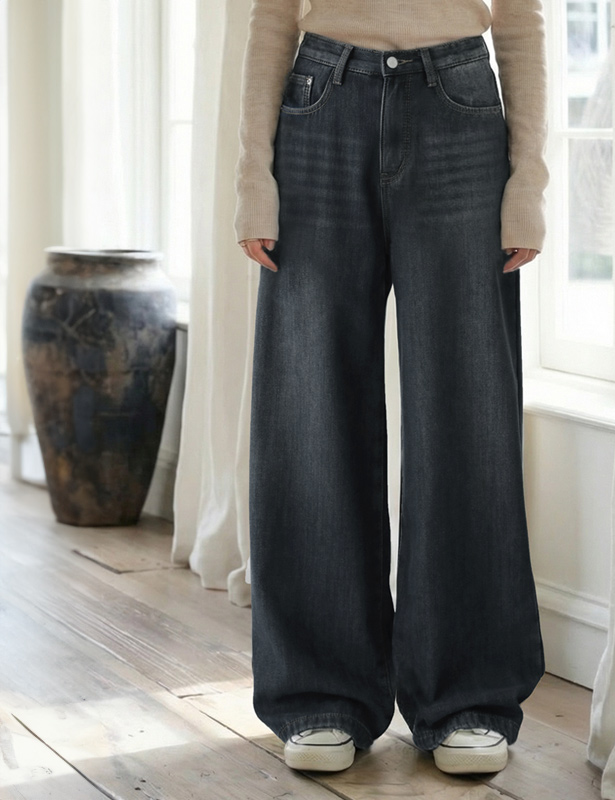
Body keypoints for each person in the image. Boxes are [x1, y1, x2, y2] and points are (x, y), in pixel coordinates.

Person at [235, 0, 549, 776]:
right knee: (308, 411)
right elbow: (272, 15)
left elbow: (522, 19)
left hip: (460, 113)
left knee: (467, 416)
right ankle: (319, 693)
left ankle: (468, 697)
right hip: (319, 107)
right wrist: (254, 175)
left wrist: (528, 182)